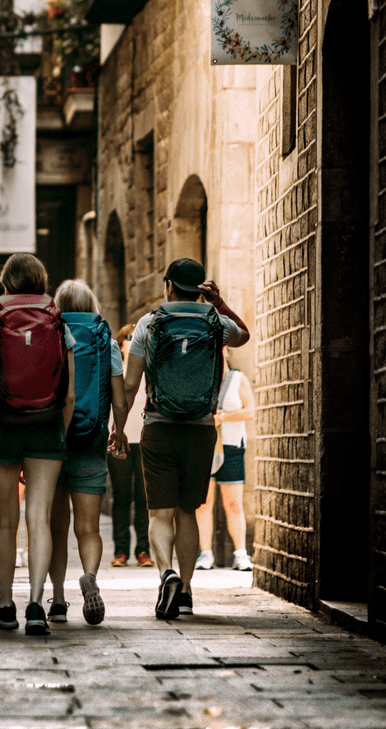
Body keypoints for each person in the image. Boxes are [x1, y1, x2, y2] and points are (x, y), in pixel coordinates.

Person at [123, 258, 250, 619]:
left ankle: (167, 574)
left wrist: (118, 427)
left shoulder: (150, 323)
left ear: (168, 285)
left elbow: (131, 384)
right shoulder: (216, 322)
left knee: (159, 513)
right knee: (187, 511)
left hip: (159, 427)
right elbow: (245, 335)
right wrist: (219, 303)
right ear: (200, 289)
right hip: (201, 428)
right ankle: (187, 593)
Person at [0, 253, 76, 636]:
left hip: (2, 423)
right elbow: (70, 393)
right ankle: (35, 604)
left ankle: (7, 603)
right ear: (41, 279)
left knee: (5, 522)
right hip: (46, 425)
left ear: (7, 281)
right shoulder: (56, 319)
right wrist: (56, 431)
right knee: (39, 519)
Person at [46, 279, 128, 626]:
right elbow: (120, 399)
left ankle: (59, 600)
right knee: (88, 527)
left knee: (55, 527)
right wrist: (119, 432)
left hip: (50, 442)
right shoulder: (105, 341)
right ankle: (90, 577)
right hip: (91, 439)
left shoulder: (51, 335)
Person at [195, 359, 256, 571]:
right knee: (204, 502)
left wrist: (223, 417)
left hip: (231, 446)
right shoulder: (198, 378)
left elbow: (250, 411)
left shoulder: (237, 378)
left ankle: (241, 554)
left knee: (234, 503)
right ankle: (205, 554)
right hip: (204, 446)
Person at [107, 323, 152, 568]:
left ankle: (143, 550)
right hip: (119, 439)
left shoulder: (149, 371)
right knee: (121, 496)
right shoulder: (116, 371)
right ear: (122, 344)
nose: (133, 341)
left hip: (144, 442)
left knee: (143, 498)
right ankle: (121, 550)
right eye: (128, 337)